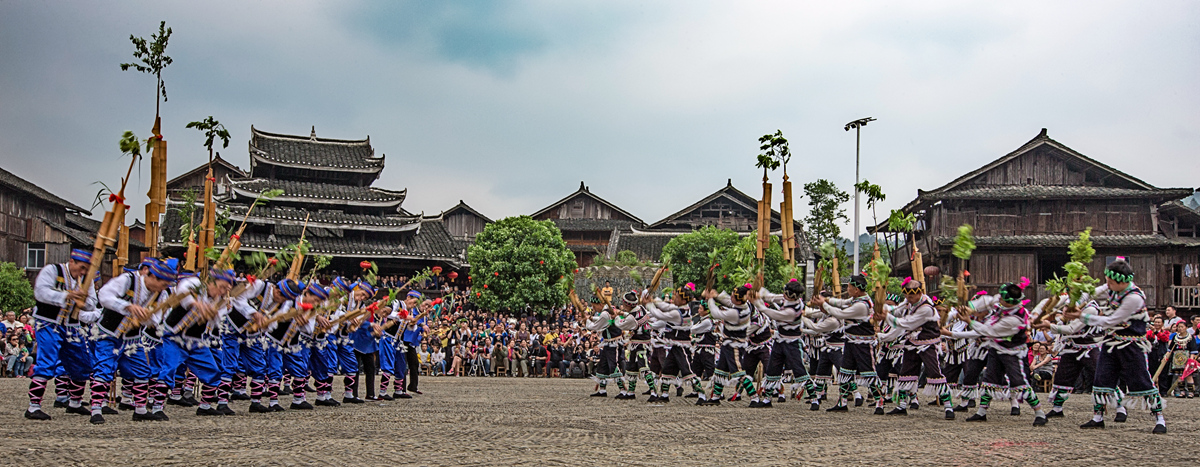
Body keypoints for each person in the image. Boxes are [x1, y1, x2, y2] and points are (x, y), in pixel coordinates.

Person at [1065, 258, 1166, 433]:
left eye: (1110, 282)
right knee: (1101, 379)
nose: (1108, 285)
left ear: (1121, 281)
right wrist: (1074, 302)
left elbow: (1111, 321)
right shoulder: (1113, 286)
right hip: (1111, 342)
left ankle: (1160, 419)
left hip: (1132, 345)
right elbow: (1091, 293)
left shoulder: (1134, 298)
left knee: (1142, 381)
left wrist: (1081, 316)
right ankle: (1098, 417)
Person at [90, 258, 176, 424]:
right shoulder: (128, 280)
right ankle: (96, 410)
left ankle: (140, 410)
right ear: (153, 277)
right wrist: (127, 307)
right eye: (163, 284)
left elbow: (156, 319)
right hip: (108, 333)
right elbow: (104, 296)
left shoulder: (162, 294)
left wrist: (146, 318)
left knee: (142, 370)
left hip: (133, 338)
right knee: (104, 369)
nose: (164, 288)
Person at [26, 249, 99, 421]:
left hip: (72, 326)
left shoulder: (86, 280)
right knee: (47, 362)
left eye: (86, 269)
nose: (83, 272)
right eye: (81, 268)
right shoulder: (52, 270)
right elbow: (40, 292)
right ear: (72, 261)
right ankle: (33, 406)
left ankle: (75, 403)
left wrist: (82, 301)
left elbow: (92, 303)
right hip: (48, 323)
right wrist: (67, 295)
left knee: (82, 363)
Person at [811, 275, 885, 413]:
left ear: (856, 290)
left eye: (849, 287)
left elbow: (840, 314)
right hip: (850, 342)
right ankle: (842, 402)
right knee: (845, 371)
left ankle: (879, 401)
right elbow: (841, 302)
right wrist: (826, 300)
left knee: (869, 372)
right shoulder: (856, 300)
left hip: (862, 344)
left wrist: (824, 304)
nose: (848, 289)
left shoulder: (862, 305)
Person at [883, 277, 954, 419]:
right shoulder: (908, 302)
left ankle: (948, 407)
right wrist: (884, 310)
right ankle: (902, 405)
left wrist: (887, 317)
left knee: (934, 373)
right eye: (907, 296)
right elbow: (897, 311)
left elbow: (907, 323)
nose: (908, 299)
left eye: (911, 296)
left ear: (920, 293)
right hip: (911, 342)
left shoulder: (926, 308)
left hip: (928, 344)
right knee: (905, 373)